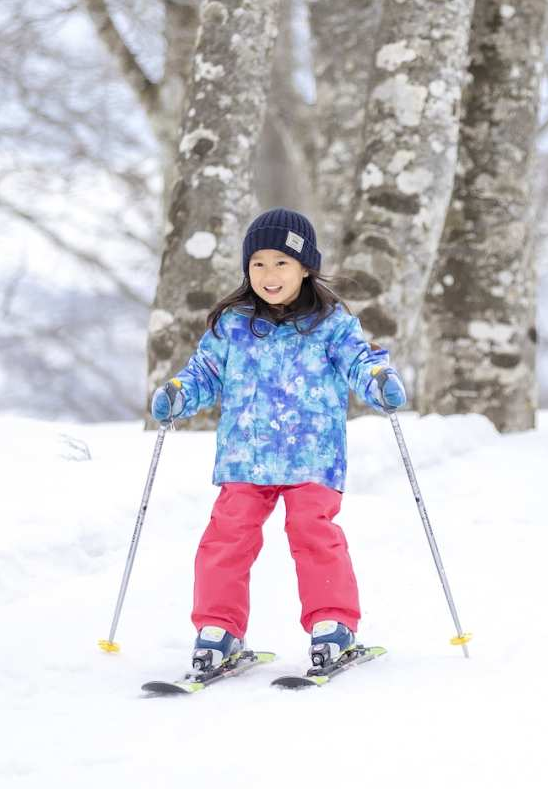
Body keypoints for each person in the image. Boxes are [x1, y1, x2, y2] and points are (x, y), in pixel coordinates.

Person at [149, 207, 407, 674]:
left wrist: (378, 380)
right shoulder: (233, 324)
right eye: (258, 264)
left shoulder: (332, 323)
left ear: (305, 266)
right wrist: (180, 393)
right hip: (246, 456)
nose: (269, 275)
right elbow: (205, 373)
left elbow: (359, 362)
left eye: (281, 263)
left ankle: (333, 624)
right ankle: (218, 630)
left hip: (312, 455)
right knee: (227, 537)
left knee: (313, 535)